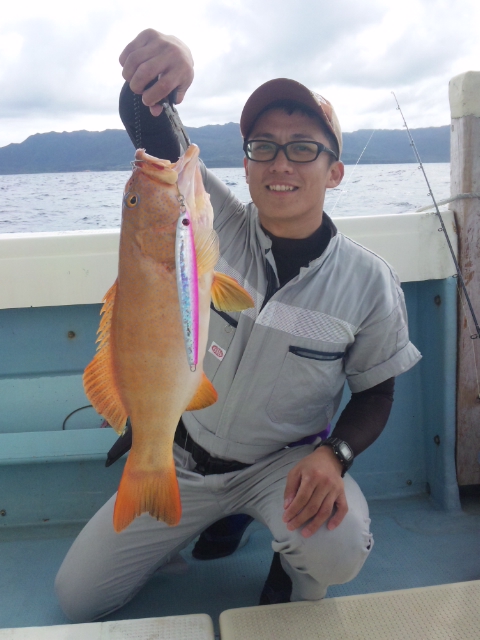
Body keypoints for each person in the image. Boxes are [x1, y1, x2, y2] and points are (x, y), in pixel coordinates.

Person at [55, 29, 421, 622]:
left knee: (337, 547)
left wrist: (336, 454)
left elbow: (377, 393)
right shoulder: (209, 221)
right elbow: (150, 131)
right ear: (246, 165)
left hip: (282, 466)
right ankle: (196, 526)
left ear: (335, 172)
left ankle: (289, 560)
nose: (281, 163)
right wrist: (165, 73)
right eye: (263, 147)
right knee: (78, 597)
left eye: (303, 148)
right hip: (182, 457)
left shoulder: (369, 282)